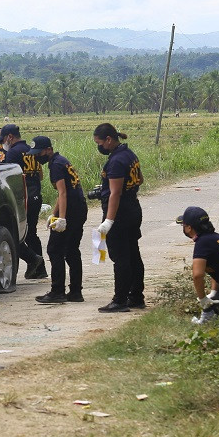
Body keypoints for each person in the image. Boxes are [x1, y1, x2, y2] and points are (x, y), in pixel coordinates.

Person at [93, 123, 145, 312]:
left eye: (99, 142)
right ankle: (137, 296)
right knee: (133, 255)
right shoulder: (129, 155)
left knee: (121, 258)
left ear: (109, 140)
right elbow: (140, 179)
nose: (99, 147)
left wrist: (109, 220)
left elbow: (115, 194)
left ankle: (120, 299)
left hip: (120, 214)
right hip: (133, 208)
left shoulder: (115, 161)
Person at [29, 136, 87, 303]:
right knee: (71, 250)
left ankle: (57, 291)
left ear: (48, 149)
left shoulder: (55, 165)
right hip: (78, 207)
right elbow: (64, 192)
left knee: (54, 250)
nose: (37, 156)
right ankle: (76, 292)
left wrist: (61, 218)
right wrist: (54, 214)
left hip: (71, 210)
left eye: (39, 152)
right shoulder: (61, 161)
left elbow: (63, 193)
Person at [1, 123, 48, 280]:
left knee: (15, 234)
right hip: (36, 196)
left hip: (24, 199)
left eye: (4, 139)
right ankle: (40, 269)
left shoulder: (13, 154)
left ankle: (33, 262)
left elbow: (10, 179)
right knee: (32, 233)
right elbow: (40, 175)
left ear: (10, 137)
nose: (4, 143)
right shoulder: (31, 149)